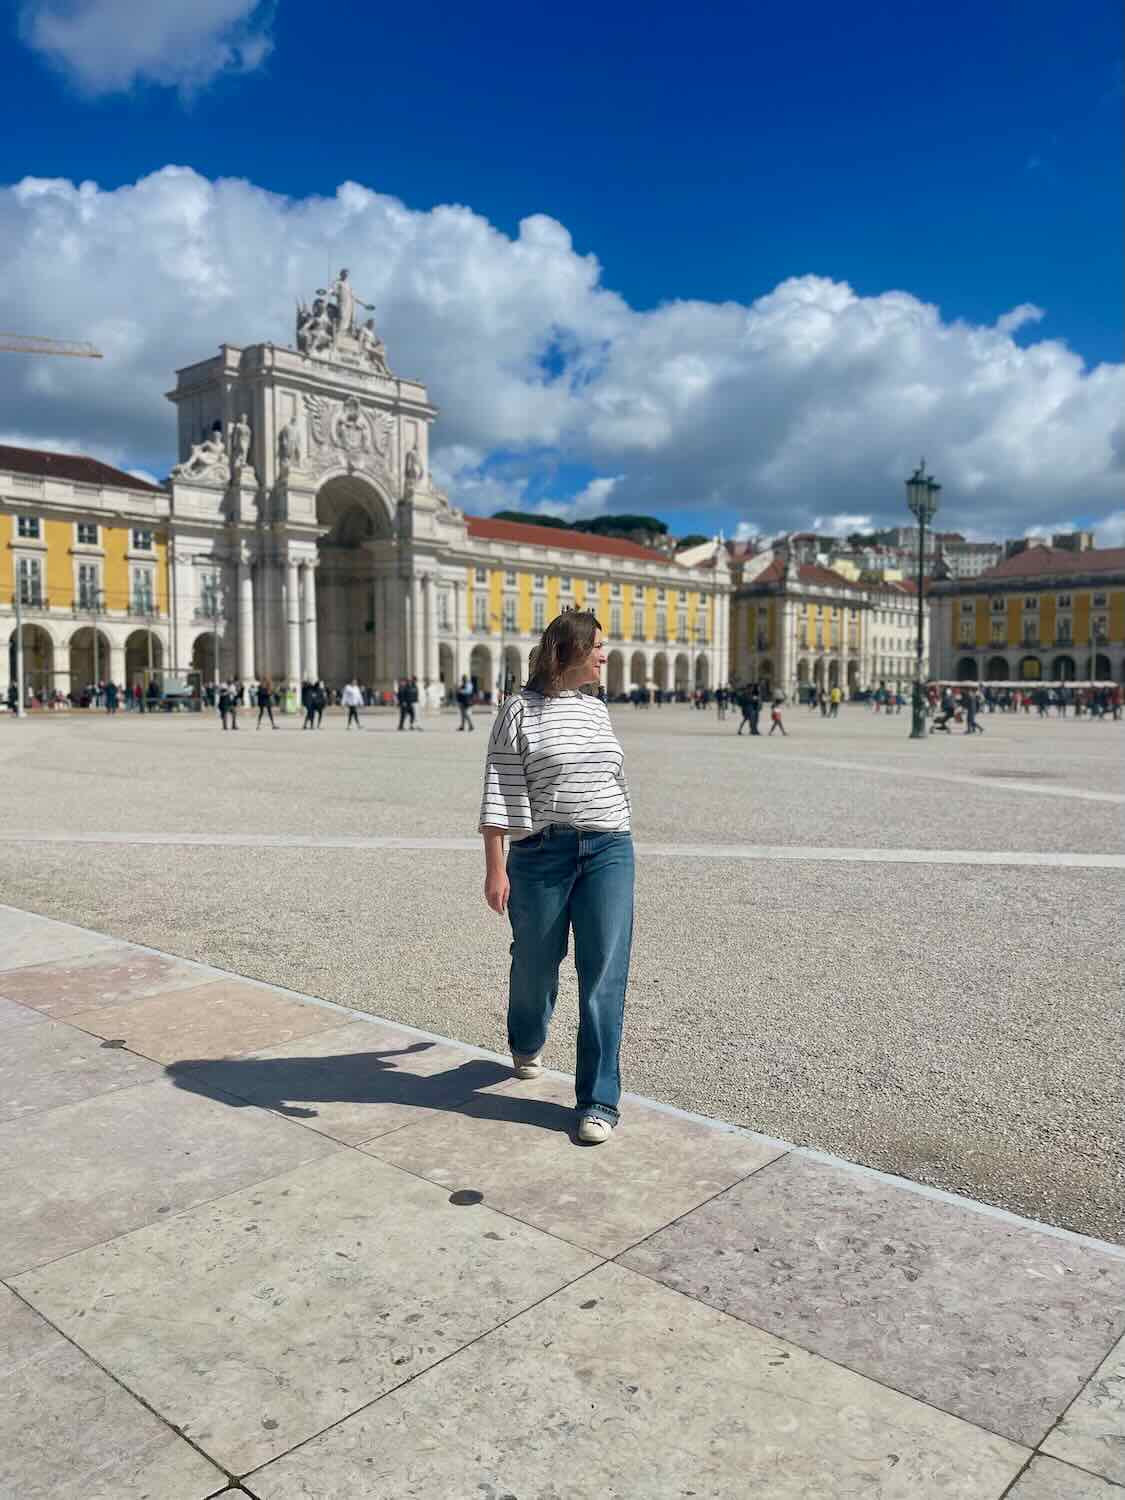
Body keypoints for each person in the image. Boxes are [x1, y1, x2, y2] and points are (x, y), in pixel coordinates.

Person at [480, 611, 632, 1147]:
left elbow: (613, 777)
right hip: (542, 852)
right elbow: (499, 787)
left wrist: (620, 828)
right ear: (565, 651)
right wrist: (496, 866)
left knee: (604, 976)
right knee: (534, 964)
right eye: (596, 646)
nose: (604, 655)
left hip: (609, 848)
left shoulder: (597, 710)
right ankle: (526, 1039)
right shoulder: (519, 711)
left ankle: (598, 1100)